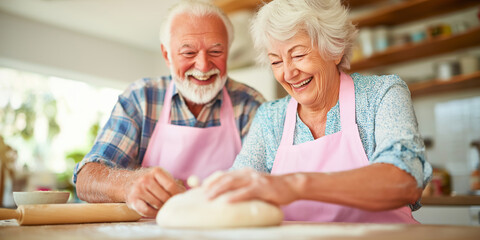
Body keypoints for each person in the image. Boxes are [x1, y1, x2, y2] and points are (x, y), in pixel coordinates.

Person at [204, 0, 432, 223]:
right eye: (276, 62)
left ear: (335, 48)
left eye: (298, 55)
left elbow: (406, 180)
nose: (288, 73)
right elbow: (237, 189)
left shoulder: (380, 95)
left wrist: (295, 185)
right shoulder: (270, 118)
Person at [74, 0, 265, 218]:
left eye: (215, 51)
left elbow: (266, 184)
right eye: (189, 53)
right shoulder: (141, 98)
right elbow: (86, 178)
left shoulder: (251, 105)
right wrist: (127, 184)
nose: (203, 66)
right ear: (167, 55)